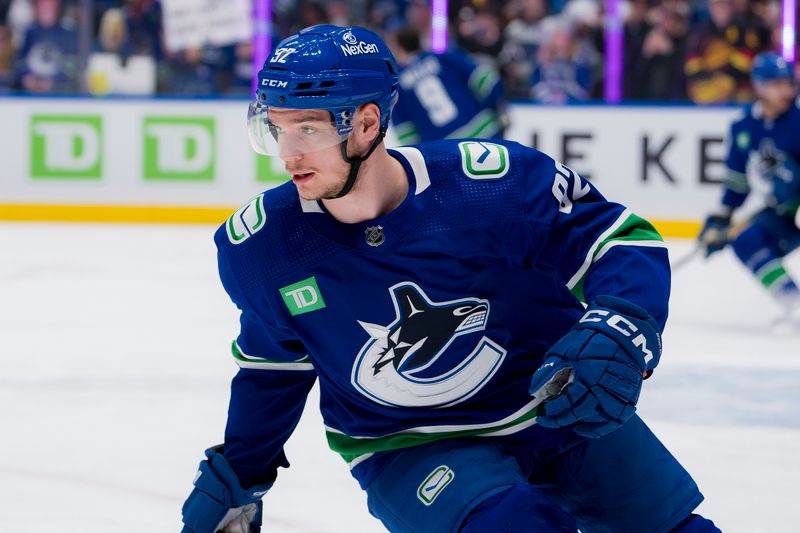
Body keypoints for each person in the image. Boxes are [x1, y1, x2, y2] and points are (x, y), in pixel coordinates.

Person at [180, 24, 720, 533]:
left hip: (556, 400)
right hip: (409, 443)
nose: (288, 153)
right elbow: (274, 367)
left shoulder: (492, 186)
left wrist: (621, 319)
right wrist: (241, 474)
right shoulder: (265, 247)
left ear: (368, 123)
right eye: (276, 127)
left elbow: (618, 240)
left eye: (308, 128)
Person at [699, 51, 800, 311]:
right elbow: (737, 180)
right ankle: (793, 302)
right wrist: (722, 218)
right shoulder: (744, 126)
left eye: (789, 83)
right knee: (746, 240)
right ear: (759, 86)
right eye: (778, 84)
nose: (786, 91)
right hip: (782, 210)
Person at [390, 25, 506, 143]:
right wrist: (496, 110)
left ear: (399, 47)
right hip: (485, 133)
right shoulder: (443, 57)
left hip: (448, 150)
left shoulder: (397, 87)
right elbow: (486, 79)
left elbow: (407, 135)